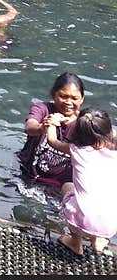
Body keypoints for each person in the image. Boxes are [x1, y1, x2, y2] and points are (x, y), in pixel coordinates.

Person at [45, 108, 117, 255]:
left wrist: (52, 124)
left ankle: (75, 243)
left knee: (67, 186)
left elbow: (52, 141)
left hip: (82, 220)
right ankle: (97, 241)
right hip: (110, 225)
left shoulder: (76, 150)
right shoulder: (114, 150)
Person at [18, 72, 85, 188]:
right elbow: (29, 127)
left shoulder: (84, 122)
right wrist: (42, 127)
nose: (68, 102)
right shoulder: (43, 109)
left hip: (60, 184)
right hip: (27, 173)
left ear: (82, 99)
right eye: (63, 96)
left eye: (74, 98)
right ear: (54, 95)